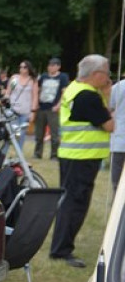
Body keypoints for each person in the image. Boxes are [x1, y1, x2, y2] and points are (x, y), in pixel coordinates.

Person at [49, 54, 115, 268]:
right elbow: (109, 124)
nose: (108, 78)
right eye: (107, 74)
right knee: (75, 204)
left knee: (69, 201)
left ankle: (61, 247)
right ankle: (61, 250)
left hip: (72, 155)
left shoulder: (73, 88)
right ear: (96, 74)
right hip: (82, 157)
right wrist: (107, 95)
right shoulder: (89, 96)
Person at [34, 57, 69, 159]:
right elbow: (38, 89)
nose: (50, 67)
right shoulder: (44, 76)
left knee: (54, 133)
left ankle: (54, 154)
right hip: (42, 107)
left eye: (53, 65)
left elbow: (64, 92)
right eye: (49, 65)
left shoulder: (63, 77)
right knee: (39, 133)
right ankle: (37, 153)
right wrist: (36, 104)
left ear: (58, 67)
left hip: (53, 108)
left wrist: (58, 105)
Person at [6, 60, 38, 147]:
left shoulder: (32, 81)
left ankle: (19, 154)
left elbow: (35, 97)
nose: (21, 69)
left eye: (24, 67)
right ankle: (4, 153)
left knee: (22, 133)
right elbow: (8, 92)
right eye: (20, 67)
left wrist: (33, 112)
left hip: (25, 111)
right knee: (11, 132)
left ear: (28, 69)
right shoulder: (15, 78)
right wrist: (5, 102)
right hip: (13, 109)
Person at [109, 76, 125, 193]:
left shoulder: (119, 86)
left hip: (119, 140)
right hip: (119, 139)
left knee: (117, 182)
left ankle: (117, 208)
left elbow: (108, 107)